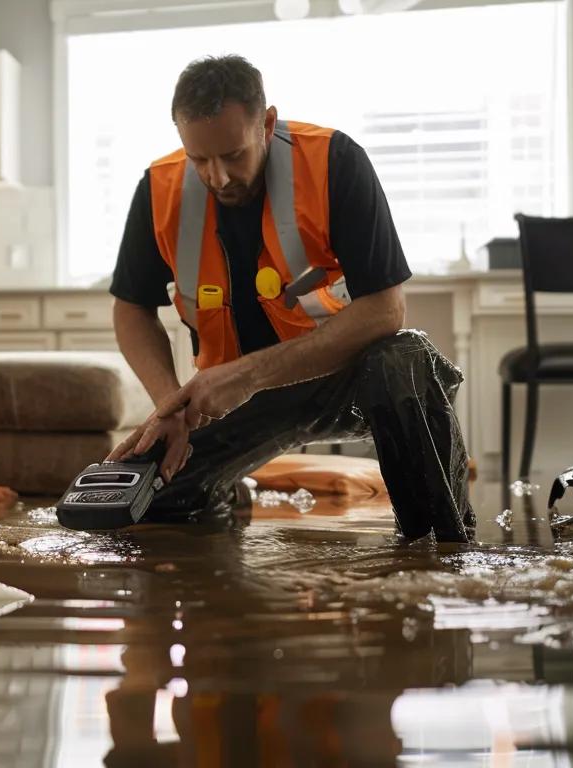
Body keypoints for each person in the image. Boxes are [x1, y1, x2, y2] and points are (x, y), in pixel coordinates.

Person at [104, 54, 474, 542]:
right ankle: (222, 490)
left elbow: (386, 308)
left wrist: (250, 374)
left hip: (343, 380)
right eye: (199, 159)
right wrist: (169, 407)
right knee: (152, 505)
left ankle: (441, 548)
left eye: (233, 155)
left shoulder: (334, 161)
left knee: (403, 359)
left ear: (267, 124)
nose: (217, 176)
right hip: (233, 403)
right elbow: (131, 308)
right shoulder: (159, 187)